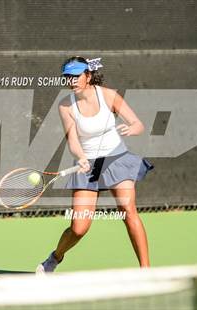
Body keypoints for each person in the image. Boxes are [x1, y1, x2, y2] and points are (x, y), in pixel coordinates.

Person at [36, 56, 154, 273]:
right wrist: (80, 156)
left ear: (88, 76)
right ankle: (55, 257)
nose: (71, 81)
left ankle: (146, 271)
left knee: (128, 210)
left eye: (75, 76)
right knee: (79, 228)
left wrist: (132, 129)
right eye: (67, 77)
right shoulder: (65, 105)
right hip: (87, 165)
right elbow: (72, 139)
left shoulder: (109, 95)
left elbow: (137, 124)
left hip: (117, 159)